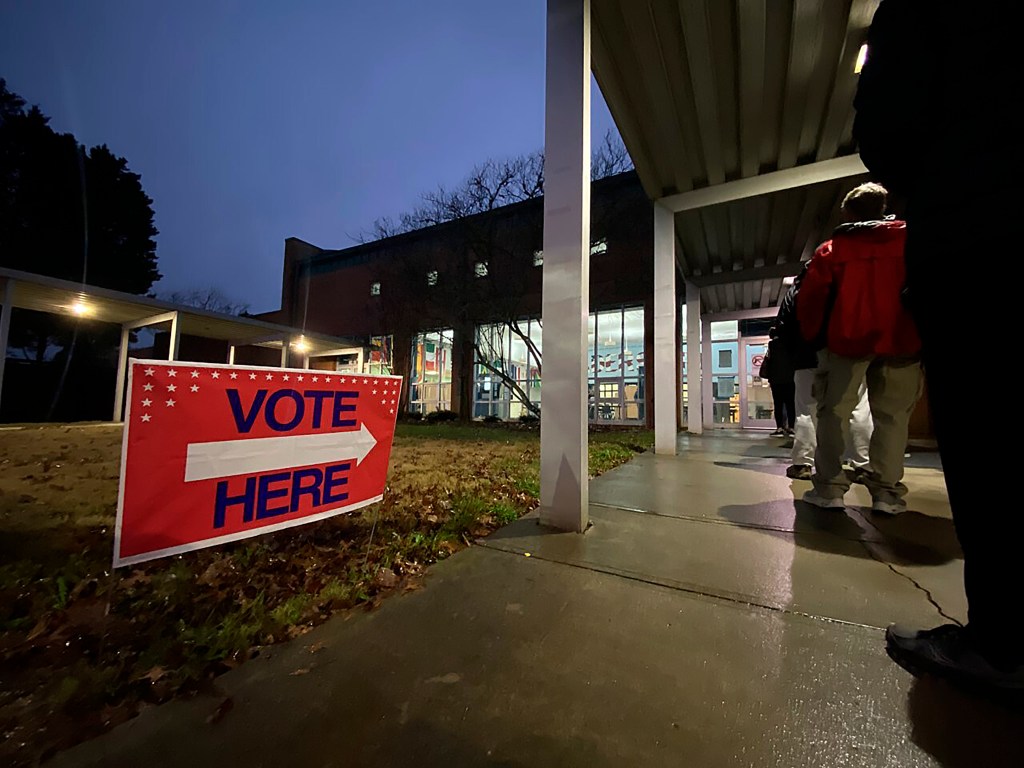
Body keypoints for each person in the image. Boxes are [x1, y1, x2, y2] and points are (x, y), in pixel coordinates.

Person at [853, 0, 1022, 692]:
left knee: (986, 444)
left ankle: (1005, 642)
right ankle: (886, 488)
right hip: (924, 303)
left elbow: (888, 120)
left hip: (974, 241)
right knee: (891, 417)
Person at [796, 182, 921, 515]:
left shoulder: (832, 251)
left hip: (846, 342)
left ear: (848, 213)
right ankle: (886, 493)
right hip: (902, 341)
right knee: (892, 417)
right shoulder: (911, 242)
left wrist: (815, 340)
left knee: (833, 412)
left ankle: (830, 488)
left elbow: (811, 302)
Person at [774, 264, 874, 481]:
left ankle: (803, 463)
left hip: (806, 358)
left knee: (806, 410)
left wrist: (791, 355)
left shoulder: (797, 291)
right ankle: (863, 465)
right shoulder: (849, 283)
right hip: (849, 354)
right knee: (858, 407)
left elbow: (783, 326)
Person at [759, 327, 795, 436]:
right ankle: (792, 427)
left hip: (776, 381)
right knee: (790, 404)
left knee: (778, 404)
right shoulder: (789, 344)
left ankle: (779, 427)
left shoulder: (772, 346)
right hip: (789, 379)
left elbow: (768, 361)